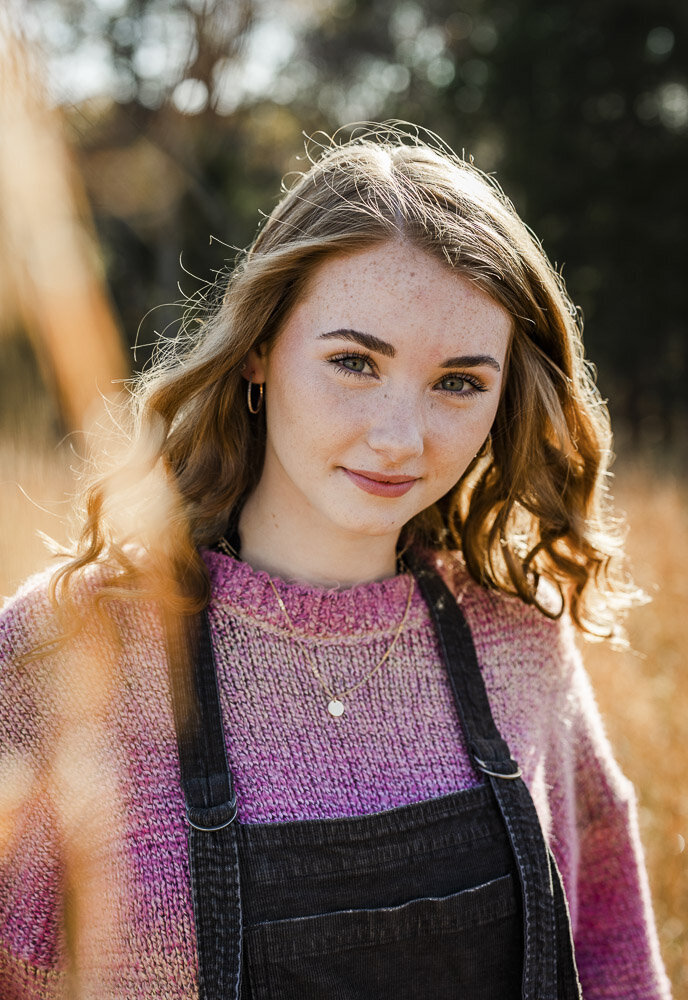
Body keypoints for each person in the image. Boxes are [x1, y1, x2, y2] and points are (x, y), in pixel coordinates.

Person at [0, 124, 672, 1000]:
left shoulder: (519, 642)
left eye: (459, 382)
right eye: (355, 361)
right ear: (257, 352)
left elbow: (613, 954)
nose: (400, 438)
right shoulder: (63, 651)